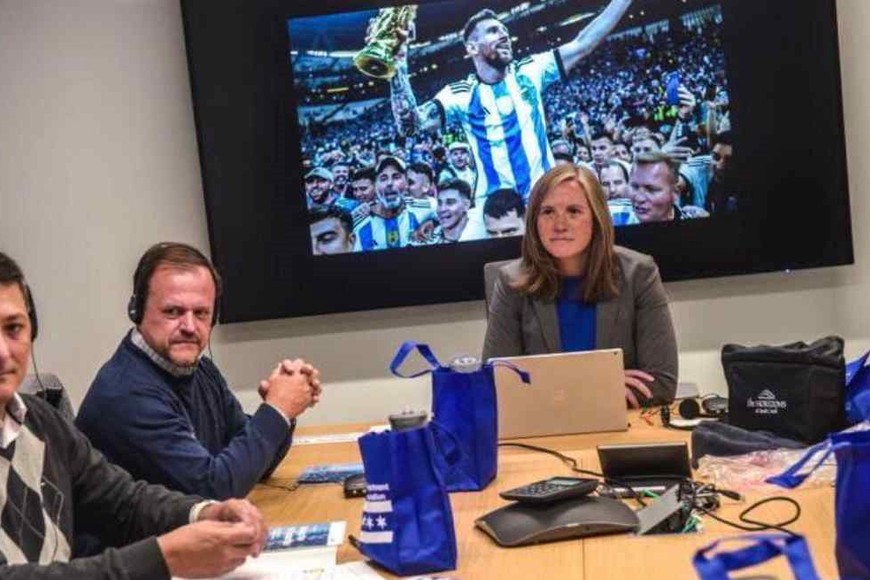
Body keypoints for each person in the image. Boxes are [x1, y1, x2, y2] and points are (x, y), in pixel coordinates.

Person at [0, 251, 267, 578]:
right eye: (173, 311)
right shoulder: (123, 391)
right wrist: (165, 557)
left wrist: (203, 512)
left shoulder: (41, 420)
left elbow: (123, 501)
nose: (3, 352)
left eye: (14, 328)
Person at [77, 243, 322, 500]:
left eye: (201, 313)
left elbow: (255, 468)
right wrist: (277, 409)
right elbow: (213, 491)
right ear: (136, 311)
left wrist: (282, 410)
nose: (189, 326)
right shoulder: (127, 394)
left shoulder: (201, 370)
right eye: (173, 312)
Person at [389, 1, 633, 200]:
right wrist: (397, 66)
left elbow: (583, 43)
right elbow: (410, 126)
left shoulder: (530, 71)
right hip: (492, 207)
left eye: (504, 30)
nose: (504, 35)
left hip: (544, 197)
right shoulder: (459, 94)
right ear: (472, 48)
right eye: (493, 31)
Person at [482, 163, 678, 406]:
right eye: (548, 212)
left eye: (573, 211)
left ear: (597, 218)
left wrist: (549, 389)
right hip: (543, 426)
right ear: (534, 221)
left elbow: (661, 384)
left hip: (620, 424)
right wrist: (600, 385)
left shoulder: (638, 273)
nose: (559, 225)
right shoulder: (511, 282)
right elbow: (495, 384)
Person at [629, 151, 708, 222]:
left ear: (675, 193)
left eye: (651, 189)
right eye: (635, 187)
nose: (639, 199)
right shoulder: (622, 217)